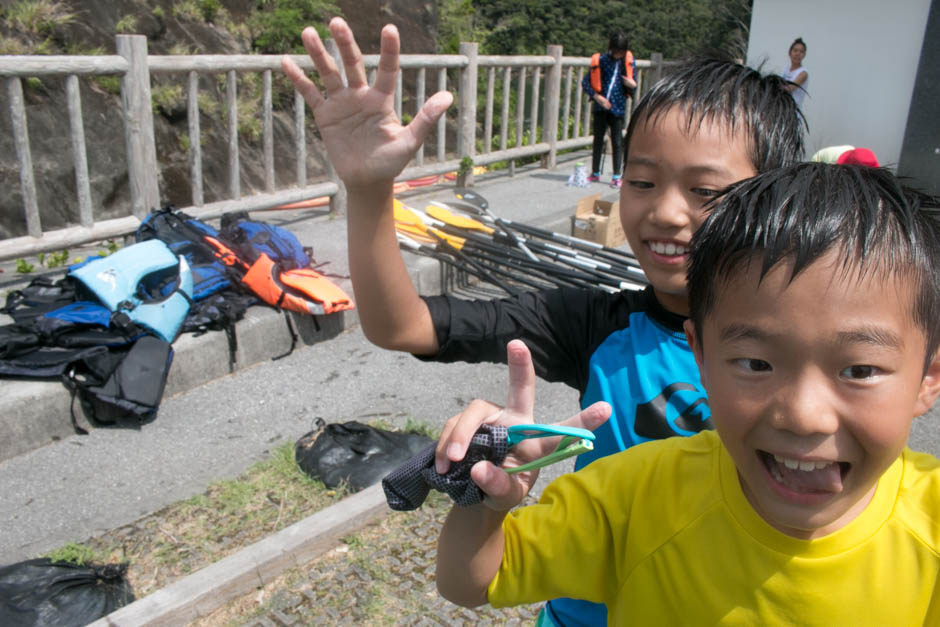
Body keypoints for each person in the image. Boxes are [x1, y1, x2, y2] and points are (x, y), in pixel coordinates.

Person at [281, 17, 804, 626]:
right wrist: (370, 191)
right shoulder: (596, 323)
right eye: (642, 180)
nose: (665, 211)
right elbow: (403, 326)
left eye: (706, 192)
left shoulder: (810, 352)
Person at [435, 163, 940, 624]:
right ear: (701, 356)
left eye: (860, 369)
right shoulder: (636, 496)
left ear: (928, 377)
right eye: (756, 363)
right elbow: (472, 580)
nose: (804, 417)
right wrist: (484, 498)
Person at [581, 31, 636, 188]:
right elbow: (586, 83)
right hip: (600, 107)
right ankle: (595, 172)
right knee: (598, 140)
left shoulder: (628, 62)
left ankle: (617, 175)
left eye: (621, 51)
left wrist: (632, 85)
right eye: (616, 51)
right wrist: (597, 97)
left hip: (617, 107)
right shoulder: (603, 60)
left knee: (617, 141)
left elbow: (634, 83)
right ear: (611, 48)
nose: (618, 54)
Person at [782, 37, 809, 108]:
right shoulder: (786, 69)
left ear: (804, 55)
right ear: (789, 53)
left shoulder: (803, 73)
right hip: (782, 110)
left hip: (793, 113)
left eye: (801, 52)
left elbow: (789, 89)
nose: (798, 54)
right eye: (795, 50)